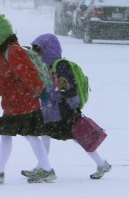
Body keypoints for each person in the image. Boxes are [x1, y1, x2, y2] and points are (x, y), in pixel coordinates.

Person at [0, 14, 57, 184]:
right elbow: (8, 77)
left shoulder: (14, 52)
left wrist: (40, 91)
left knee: (30, 136)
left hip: (23, 103)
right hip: (14, 103)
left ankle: (47, 171)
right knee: (8, 135)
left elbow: (28, 74)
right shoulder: (7, 52)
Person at [21, 33, 111, 179]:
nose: (36, 53)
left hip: (63, 111)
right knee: (47, 134)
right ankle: (42, 167)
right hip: (53, 110)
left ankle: (101, 163)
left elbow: (67, 87)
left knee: (79, 136)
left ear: (47, 50)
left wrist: (72, 106)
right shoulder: (48, 66)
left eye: (38, 50)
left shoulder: (59, 65)